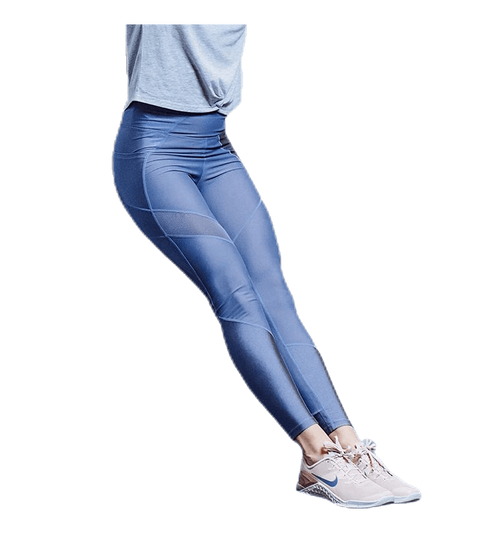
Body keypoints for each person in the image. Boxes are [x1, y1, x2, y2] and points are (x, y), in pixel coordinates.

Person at [111, 22, 422, 510]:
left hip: (217, 148)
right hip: (153, 150)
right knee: (234, 291)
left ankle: (349, 443)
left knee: (274, 292)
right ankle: (316, 453)